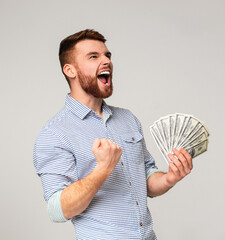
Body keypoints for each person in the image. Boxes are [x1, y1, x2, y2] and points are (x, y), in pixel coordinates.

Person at [33, 29, 193, 240]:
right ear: (70, 70)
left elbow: (146, 179)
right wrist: (103, 168)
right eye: (94, 56)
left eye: (107, 55)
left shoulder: (128, 119)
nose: (106, 61)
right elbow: (57, 210)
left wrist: (170, 178)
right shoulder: (55, 133)